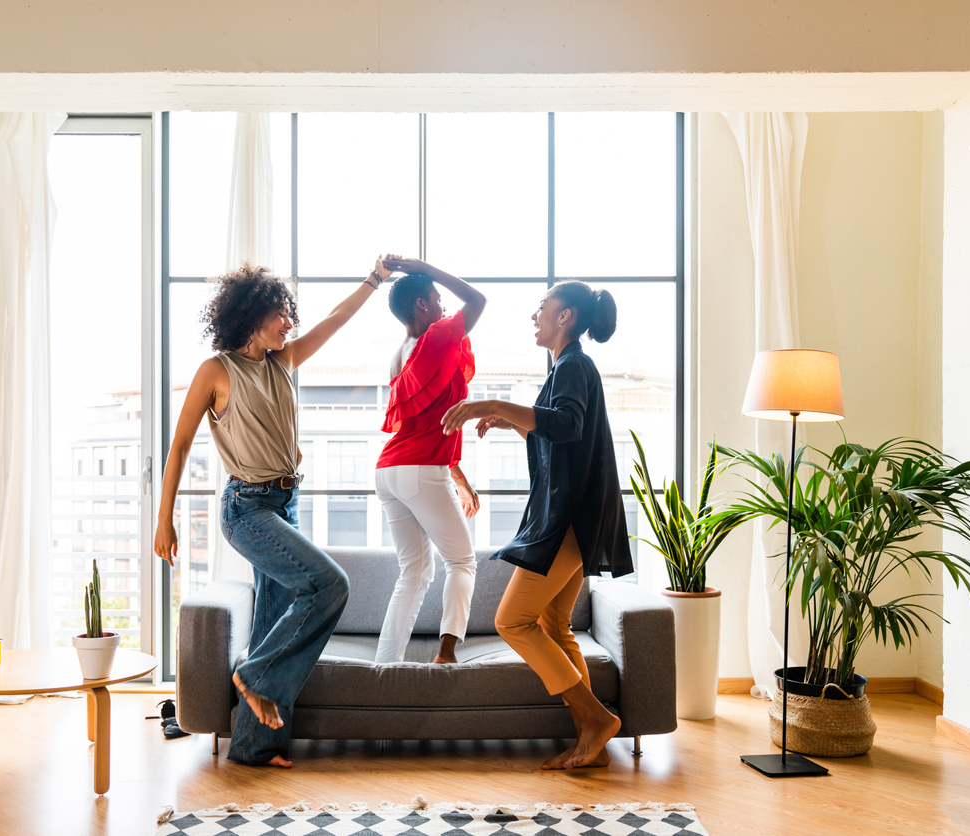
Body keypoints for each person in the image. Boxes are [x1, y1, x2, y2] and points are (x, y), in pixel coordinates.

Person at [154, 257, 395, 768]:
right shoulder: (216, 370)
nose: (291, 323)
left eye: (290, 314)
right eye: (282, 314)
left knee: (271, 620)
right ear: (251, 315)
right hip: (247, 509)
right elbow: (177, 448)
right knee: (331, 584)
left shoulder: (284, 362)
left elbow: (336, 317)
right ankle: (256, 673)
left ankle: (253, 747)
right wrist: (163, 519)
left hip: (287, 503)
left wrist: (372, 280)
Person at [441, 281, 632, 771]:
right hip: (579, 514)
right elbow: (562, 430)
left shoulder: (573, 365)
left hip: (569, 518)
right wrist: (515, 423)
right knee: (553, 623)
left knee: (512, 620)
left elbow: (566, 424)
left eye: (542, 308)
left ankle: (595, 718)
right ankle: (592, 739)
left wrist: (491, 405)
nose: (534, 316)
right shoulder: (569, 367)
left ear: (565, 316)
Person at [373, 258, 487, 665]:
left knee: (415, 573)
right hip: (420, 468)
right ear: (421, 305)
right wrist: (420, 266)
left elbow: (426, 422)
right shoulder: (437, 336)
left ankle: (383, 670)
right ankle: (447, 653)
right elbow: (477, 299)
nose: (443, 307)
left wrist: (459, 478)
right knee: (462, 562)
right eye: (437, 300)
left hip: (389, 471)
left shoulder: (398, 354)